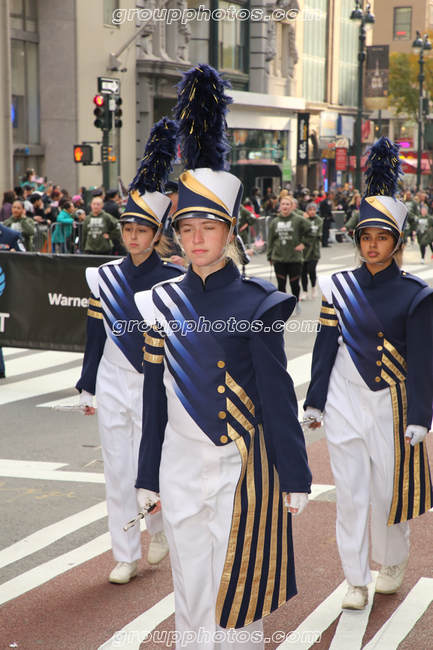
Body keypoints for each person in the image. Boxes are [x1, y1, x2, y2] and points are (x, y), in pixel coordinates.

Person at [134, 64, 312, 650]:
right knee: (189, 588)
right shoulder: (158, 301)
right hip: (180, 463)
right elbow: (154, 399)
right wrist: (146, 474)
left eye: (208, 227)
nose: (196, 238)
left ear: (231, 230)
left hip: (243, 464)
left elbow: (277, 396)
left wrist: (295, 473)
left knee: (239, 587)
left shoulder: (259, 303)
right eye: (186, 227)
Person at [304, 137, 433, 611]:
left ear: (397, 242)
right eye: (365, 237)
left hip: (392, 406)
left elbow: (423, 360)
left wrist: (421, 415)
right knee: (352, 495)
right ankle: (355, 579)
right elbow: (324, 347)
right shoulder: (337, 287)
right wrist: (315, 400)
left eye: (381, 237)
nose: (372, 245)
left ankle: (393, 558)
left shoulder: (416, 294)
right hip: (344, 401)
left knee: (388, 491)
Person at [76, 118, 184, 585]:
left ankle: (157, 528)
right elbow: (94, 334)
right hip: (112, 380)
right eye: (128, 228)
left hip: (154, 383)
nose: (133, 236)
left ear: (157, 233)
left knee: (152, 462)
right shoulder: (103, 276)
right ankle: (125, 553)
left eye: (142, 229)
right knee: (117, 468)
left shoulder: (173, 280)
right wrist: (87, 384)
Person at [267, 196, 312, 314]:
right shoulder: (275, 222)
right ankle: (283, 307)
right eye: (283, 204)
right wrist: (269, 256)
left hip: (294, 258)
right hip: (279, 258)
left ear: (292, 206)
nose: (285, 206)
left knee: (294, 284)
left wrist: (304, 244)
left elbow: (312, 232)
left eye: (287, 204)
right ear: (280, 206)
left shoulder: (298, 220)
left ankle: (296, 301)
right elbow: (271, 239)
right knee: (281, 285)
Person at [300, 202, 323, 300]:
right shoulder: (302, 219)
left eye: (314, 210)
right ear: (307, 211)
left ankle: (314, 287)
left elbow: (314, 233)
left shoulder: (319, 220)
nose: (312, 212)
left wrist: (306, 220)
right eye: (310, 210)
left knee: (311, 269)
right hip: (303, 250)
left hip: (314, 249)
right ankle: (305, 291)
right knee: (303, 271)